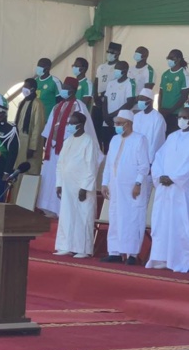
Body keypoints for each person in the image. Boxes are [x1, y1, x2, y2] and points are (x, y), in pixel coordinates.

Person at [146, 107, 189, 273]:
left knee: (184, 225)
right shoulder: (172, 136)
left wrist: (173, 178)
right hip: (166, 190)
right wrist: (160, 175)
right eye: (180, 117)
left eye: (186, 117)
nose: (182, 120)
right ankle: (162, 258)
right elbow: (159, 157)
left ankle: (183, 261)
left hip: (184, 190)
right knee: (163, 224)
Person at [37, 77, 100, 217]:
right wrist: (46, 144)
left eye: (65, 88)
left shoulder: (79, 106)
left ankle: (61, 209)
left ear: (72, 90)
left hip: (69, 149)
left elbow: (86, 130)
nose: (63, 90)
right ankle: (49, 208)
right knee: (51, 176)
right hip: (53, 148)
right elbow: (49, 128)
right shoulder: (57, 106)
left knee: (64, 177)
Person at [101, 110, 150, 265]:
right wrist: (104, 182)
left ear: (128, 124)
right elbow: (109, 163)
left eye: (119, 123)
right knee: (115, 217)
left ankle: (132, 254)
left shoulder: (139, 139)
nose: (116, 126)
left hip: (132, 188)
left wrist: (138, 183)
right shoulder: (115, 139)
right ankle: (115, 252)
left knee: (132, 218)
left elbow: (143, 165)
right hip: (115, 186)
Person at [54, 112, 100, 258]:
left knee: (83, 216)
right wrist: (59, 183)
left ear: (80, 125)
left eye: (72, 123)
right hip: (67, 185)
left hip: (82, 186)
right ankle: (65, 246)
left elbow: (91, 166)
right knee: (67, 215)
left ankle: (83, 249)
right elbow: (60, 163)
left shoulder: (89, 141)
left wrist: (85, 187)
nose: (69, 126)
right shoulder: (68, 141)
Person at [133, 88, 166, 202]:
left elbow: (157, 142)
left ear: (151, 101)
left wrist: (150, 163)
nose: (140, 101)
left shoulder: (158, 118)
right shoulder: (136, 117)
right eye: (139, 98)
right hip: (134, 161)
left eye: (143, 99)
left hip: (148, 163)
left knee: (143, 197)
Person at [13, 78, 45, 181]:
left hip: (29, 145)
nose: (24, 89)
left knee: (29, 172)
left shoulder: (37, 104)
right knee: (18, 172)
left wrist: (32, 147)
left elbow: (38, 127)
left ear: (33, 89)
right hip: (19, 142)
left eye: (26, 87)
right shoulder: (22, 102)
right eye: (23, 86)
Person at [102, 60, 136, 153]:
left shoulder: (130, 83)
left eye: (118, 69)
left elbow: (130, 103)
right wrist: (106, 116)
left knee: (120, 147)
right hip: (107, 121)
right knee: (107, 146)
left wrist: (112, 115)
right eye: (115, 69)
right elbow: (105, 101)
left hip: (120, 122)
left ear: (124, 71)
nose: (115, 71)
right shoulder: (111, 83)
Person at [93, 42, 122, 141]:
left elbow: (117, 84)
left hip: (110, 103)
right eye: (108, 51)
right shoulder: (101, 67)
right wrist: (95, 96)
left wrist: (104, 95)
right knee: (96, 130)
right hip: (98, 102)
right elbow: (96, 82)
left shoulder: (119, 68)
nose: (109, 54)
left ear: (118, 53)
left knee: (107, 132)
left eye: (112, 52)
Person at [159, 49, 189, 136]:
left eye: (171, 58)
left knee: (172, 136)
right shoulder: (165, 74)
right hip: (163, 112)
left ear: (179, 59)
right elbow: (161, 93)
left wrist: (170, 111)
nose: (169, 60)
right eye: (168, 58)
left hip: (176, 114)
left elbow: (184, 96)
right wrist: (160, 109)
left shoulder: (185, 75)